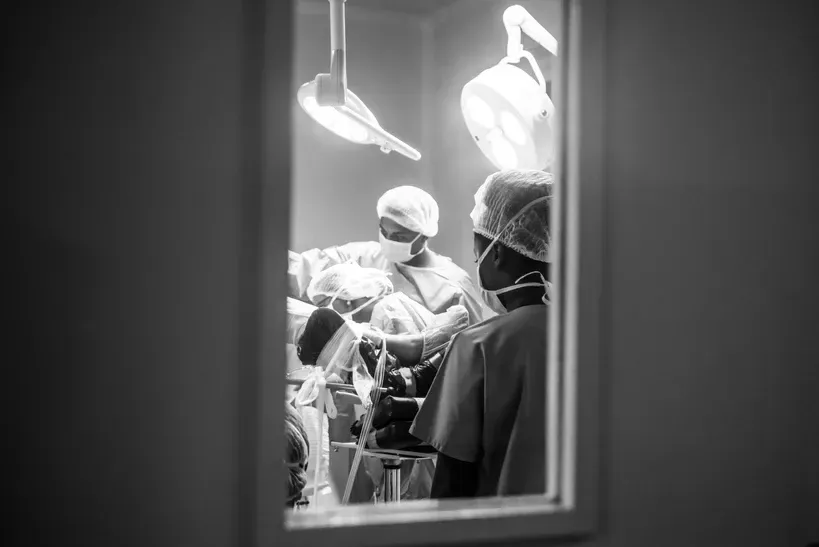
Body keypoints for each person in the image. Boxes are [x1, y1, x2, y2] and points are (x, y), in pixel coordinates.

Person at [410, 169, 554, 499]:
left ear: (497, 254)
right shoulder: (592, 336)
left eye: (478, 252)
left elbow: (452, 485)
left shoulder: (479, 345)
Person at [288, 185, 490, 326]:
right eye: (384, 232)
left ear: (424, 235)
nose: (388, 240)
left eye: (399, 236)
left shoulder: (455, 287)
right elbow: (304, 269)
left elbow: (467, 351)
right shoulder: (364, 256)